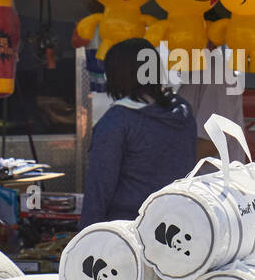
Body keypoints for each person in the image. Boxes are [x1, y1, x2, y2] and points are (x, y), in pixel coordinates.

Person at [80, 38, 197, 228]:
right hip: (179, 226)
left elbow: (99, 190)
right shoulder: (182, 110)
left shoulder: (117, 121)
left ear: (116, 75)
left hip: (128, 234)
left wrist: (84, 240)